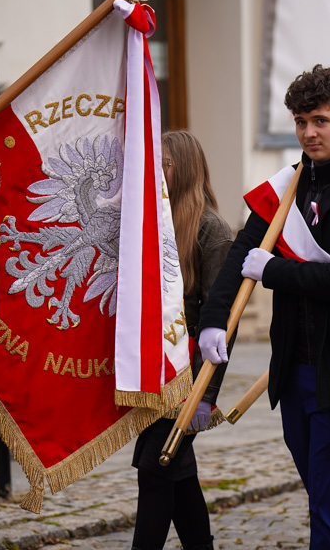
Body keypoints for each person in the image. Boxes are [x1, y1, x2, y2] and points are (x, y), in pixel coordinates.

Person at [198, 64, 330, 549]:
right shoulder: (294, 180)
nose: (308, 133)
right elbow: (244, 251)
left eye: (320, 120)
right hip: (293, 366)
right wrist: (215, 321)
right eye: (301, 122)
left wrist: (275, 271)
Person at [131, 131, 234, 550]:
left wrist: (206, 396)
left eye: (164, 165)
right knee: (176, 473)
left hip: (190, 379)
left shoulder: (213, 232)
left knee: (156, 467)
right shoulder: (157, 221)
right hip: (159, 374)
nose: (157, 173)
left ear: (184, 169)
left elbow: (223, 324)